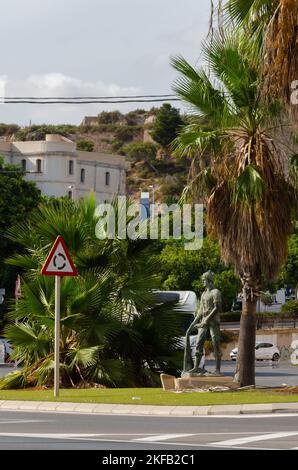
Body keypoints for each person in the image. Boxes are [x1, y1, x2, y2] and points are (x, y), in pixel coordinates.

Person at [183, 270, 222, 376]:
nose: (203, 282)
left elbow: (217, 308)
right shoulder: (204, 293)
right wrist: (193, 323)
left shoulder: (216, 292)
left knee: (215, 343)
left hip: (213, 321)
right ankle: (196, 367)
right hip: (203, 321)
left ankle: (217, 369)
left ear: (209, 281)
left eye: (204, 280)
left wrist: (206, 320)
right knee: (199, 343)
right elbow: (200, 310)